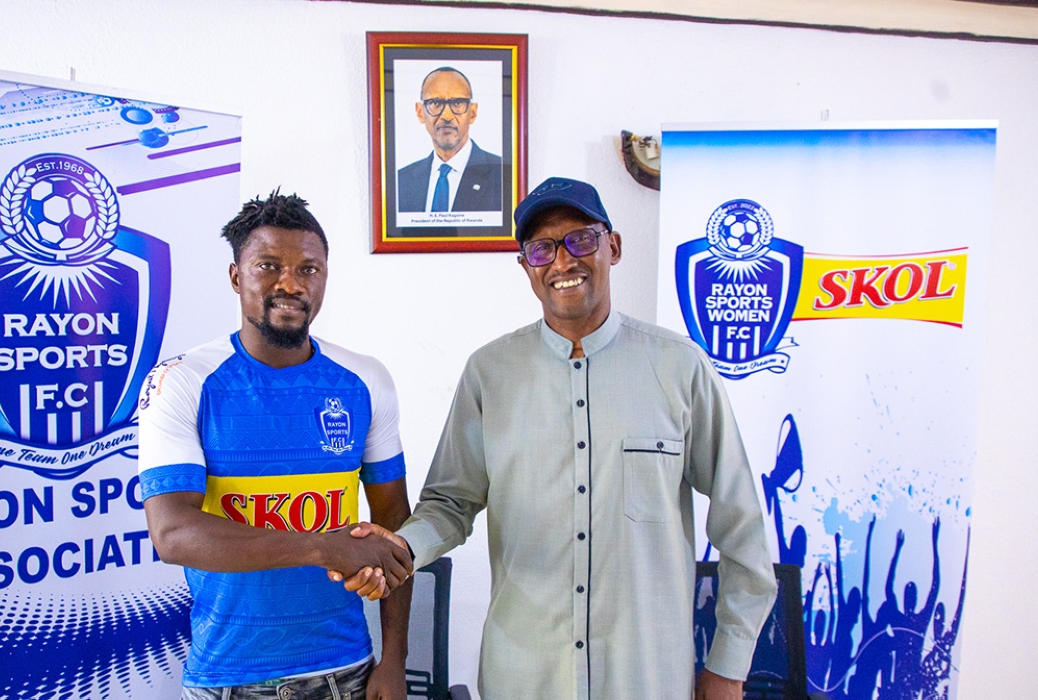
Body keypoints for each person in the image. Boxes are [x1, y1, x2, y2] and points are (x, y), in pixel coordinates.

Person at [344, 177, 777, 699]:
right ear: (526, 265)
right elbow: (450, 503)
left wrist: (729, 664)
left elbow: (741, 523)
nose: (563, 261)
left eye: (581, 239)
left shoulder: (679, 366)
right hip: (523, 677)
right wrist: (402, 548)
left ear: (613, 246)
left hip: (646, 678)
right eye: (542, 248)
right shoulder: (489, 373)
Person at [139, 190, 414, 700]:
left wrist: (395, 658)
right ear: (235, 276)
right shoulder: (182, 381)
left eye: (309, 269)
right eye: (268, 266)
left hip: (346, 670)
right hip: (227, 678)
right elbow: (172, 533)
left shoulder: (365, 380)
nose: (290, 283)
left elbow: (394, 522)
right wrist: (322, 546)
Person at [397, 66, 502, 214]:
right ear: (420, 112)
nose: (447, 116)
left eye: (457, 103)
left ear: (473, 112)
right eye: (435, 103)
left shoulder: (502, 176)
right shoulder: (402, 181)